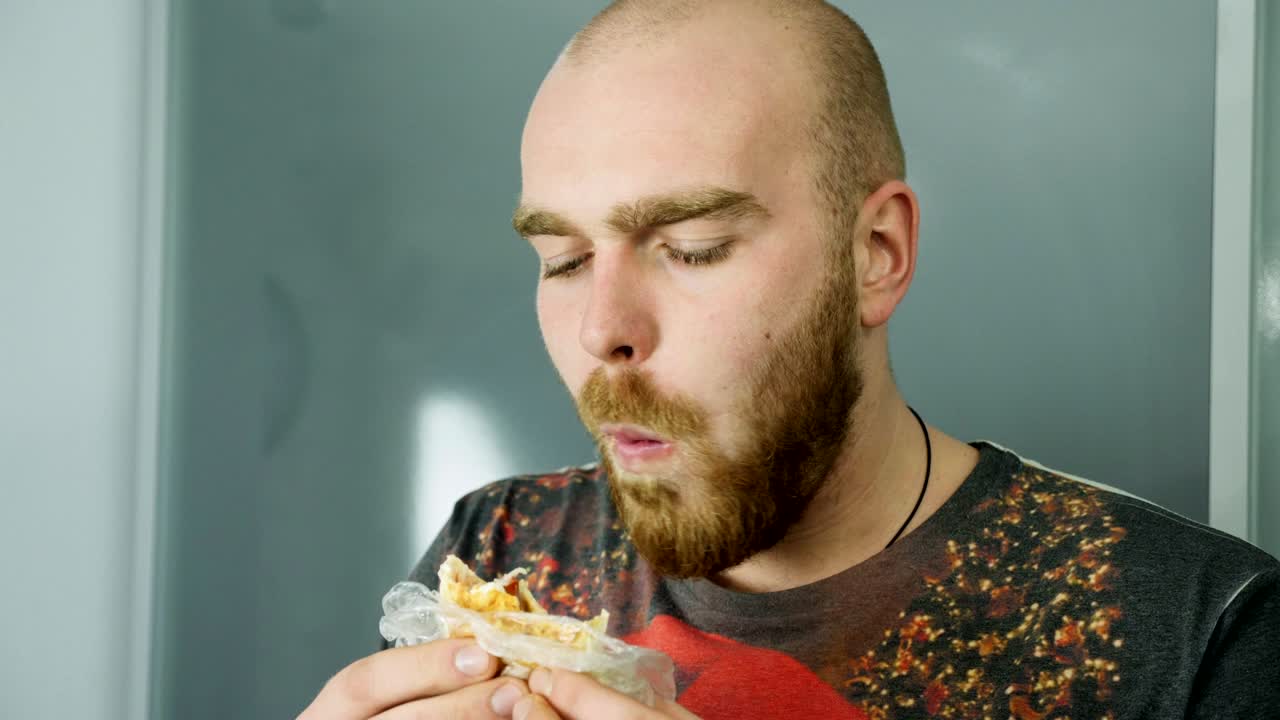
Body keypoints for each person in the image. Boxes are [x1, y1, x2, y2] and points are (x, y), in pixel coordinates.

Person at [299, 1, 1280, 718]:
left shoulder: (1197, 638)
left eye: (689, 249)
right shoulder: (505, 548)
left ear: (874, 256)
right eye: (560, 259)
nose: (603, 329)